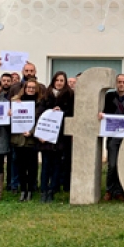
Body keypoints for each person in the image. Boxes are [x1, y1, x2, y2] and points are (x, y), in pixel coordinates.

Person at [100, 73, 124, 201]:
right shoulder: (109, 96)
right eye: (119, 82)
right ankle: (109, 190)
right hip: (112, 136)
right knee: (112, 165)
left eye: (123, 82)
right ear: (116, 83)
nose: (121, 84)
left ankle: (120, 191)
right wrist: (101, 114)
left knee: (123, 165)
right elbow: (103, 110)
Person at [37, 71, 74, 202]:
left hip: (60, 137)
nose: (59, 83)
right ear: (53, 81)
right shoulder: (46, 95)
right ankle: (43, 191)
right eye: (57, 80)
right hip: (46, 136)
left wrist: (62, 113)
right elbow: (39, 114)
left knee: (57, 164)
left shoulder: (70, 95)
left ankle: (52, 189)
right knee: (46, 164)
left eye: (62, 80)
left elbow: (72, 113)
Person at [10, 79, 40, 201]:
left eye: (33, 87)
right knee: (21, 167)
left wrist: (32, 132)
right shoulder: (15, 101)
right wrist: (10, 112)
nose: (31, 89)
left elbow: (41, 121)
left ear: (36, 89)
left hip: (32, 140)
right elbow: (9, 118)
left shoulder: (40, 103)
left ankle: (31, 190)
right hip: (19, 139)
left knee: (32, 167)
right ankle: (23, 190)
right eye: (29, 87)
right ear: (25, 88)